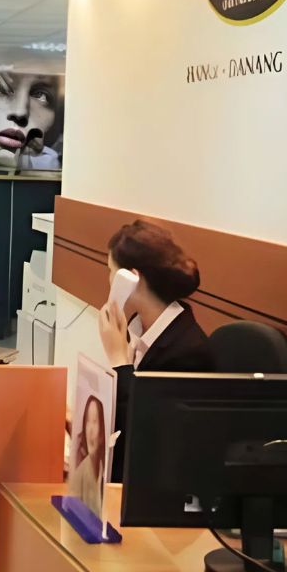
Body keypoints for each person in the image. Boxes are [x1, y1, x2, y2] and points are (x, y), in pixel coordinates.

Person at [97, 220, 213, 481]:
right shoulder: (137, 326)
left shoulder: (188, 352)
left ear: (131, 279)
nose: (108, 279)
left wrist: (118, 360)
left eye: (111, 271)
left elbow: (145, 433)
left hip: (157, 484)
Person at [69, 394, 107, 515]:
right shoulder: (79, 476)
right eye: (87, 421)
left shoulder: (104, 470)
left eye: (95, 421)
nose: (90, 430)